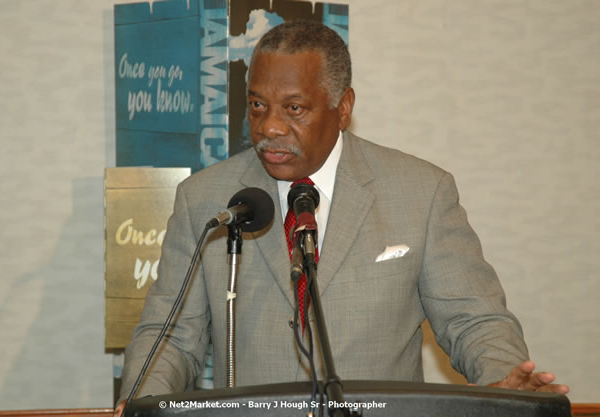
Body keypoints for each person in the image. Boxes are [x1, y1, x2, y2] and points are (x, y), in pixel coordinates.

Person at [116, 20, 568, 413]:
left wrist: (506, 385)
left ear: (343, 107)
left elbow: (474, 320)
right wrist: (139, 403)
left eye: (294, 108)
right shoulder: (205, 199)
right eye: (257, 105)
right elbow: (172, 336)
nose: (270, 126)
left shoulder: (420, 192)